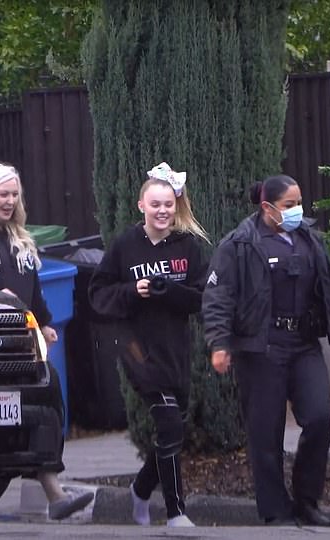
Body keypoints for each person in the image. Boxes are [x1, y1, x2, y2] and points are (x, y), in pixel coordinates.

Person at [201, 174, 330, 527]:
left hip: (303, 345)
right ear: (267, 208)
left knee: (320, 416)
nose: (296, 211)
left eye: (298, 203)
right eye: (289, 205)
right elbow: (218, 298)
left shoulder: (310, 240)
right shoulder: (239, 245)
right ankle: (275, 509)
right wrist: (219, 342)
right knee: (265, 431)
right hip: (261, 348)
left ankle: (307, 500)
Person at [0, 162, 94, 521]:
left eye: (14, 195)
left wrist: (44, 323)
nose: (9, 201)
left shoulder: (19, 236)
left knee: (42, 406)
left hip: (22, 342)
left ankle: (54, 493)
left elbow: (33, 289)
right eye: (3, 194)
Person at [88, 162, 209, 528]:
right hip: (136, 348)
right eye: (155, 204)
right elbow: (98, 294)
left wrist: (168, 290)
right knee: (170, 424)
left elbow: (201, 297)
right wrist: (133, 291)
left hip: (175, 349)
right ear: (141, 205)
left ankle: (140, 490)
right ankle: (175, 512)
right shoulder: (126, 244)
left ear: (176, 205)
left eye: (168, 205)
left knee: (174, 429)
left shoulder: (187, 246)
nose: (162, 211)